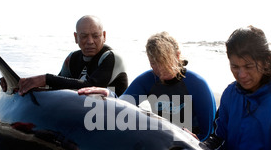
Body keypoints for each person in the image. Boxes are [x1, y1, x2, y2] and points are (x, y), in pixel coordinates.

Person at [78, 32, 216, 142]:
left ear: (177, 56)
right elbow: (122, 105)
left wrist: (194, 142)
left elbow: (208, 134)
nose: (160, 68)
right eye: (154, 63)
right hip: (167, 139)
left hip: (193, 144)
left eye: (164, 61)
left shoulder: (197, 84)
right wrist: (109, 95)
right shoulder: (147, 80)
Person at [0, 15, 128, 96]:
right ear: (76, 37)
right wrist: (22, 85)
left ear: (104, 36)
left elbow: (91, 86)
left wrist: (46, 78)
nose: (90, 41)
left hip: (116, 121)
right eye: (83, 36)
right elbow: (57, 85)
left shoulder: (112, 57)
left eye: (95, 36)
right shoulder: (72, 58)